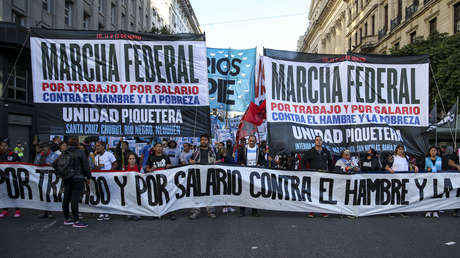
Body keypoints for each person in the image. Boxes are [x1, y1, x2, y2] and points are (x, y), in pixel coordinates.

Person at [58, 137, 91, 228]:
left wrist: (62, 174)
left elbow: (56, 164)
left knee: (66, 198)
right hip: (78, 178)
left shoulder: (64, 152)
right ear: (77, 144)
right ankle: (76, 220)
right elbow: (86, 166)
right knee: (74, 199)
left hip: (67, 178)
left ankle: (67, 219)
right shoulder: (80, 152)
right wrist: (88, 177)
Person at [301, 136, 332, 218]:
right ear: (314, 142)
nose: (318, 141)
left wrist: (330, 171)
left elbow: (331, 161)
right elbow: (303, 161)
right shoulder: (310, 151)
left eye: (320, 140)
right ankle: (311, 211)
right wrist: (306, 171)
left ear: (322, 141)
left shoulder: (326, 151)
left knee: (322, 193)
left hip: (324, 175)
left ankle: (323, 211)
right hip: (313, 175)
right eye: (317, 140)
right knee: (313, 193)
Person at [385, 144, 418, 218]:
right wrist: (390, 169)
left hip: (404, 179)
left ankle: (403, 211)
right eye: (399, 149)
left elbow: (411, 165)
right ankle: (392, 211)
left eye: (402, 149)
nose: (401, 150)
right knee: (394, 195)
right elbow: (386, 167)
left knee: (403, 195)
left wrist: (415, 167)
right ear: (396, 150)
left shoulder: (406, 158)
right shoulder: (392, 157)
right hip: (395, 179)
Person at [189, 134, 217, 219]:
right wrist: (191, 161)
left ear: (208, 141)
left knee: (209, 193)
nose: (203, 141)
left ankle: (210, 211)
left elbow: (216, 160)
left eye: (205, 139)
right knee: (197, 193)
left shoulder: (212, 150)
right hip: (198, 174)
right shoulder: (196, 150)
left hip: (209, 174)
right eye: (202, 140)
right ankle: (195, 211)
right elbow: (190, 159)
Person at [145, 142, 175, 220]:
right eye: (157, 146)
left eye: (160, 146)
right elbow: (147, 168)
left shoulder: (166, 157)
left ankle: (170, 212)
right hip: (155, 180)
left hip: (165, 180)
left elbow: (170, 166)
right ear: (154, 148)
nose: (159, 148)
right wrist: (151, 169)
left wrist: (169, 166)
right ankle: (156, 213)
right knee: (156, 196)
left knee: (167, 196)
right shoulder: (151, 157)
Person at [237, 135, 264, 217]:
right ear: (248, 141)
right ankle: (242, 211)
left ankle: (254, 211)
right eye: (250, 140)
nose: (251, 142)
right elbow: (239, 159)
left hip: (255, 174)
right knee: (243, 192)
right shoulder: (243, 149)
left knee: (254, 193)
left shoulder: (258, 149)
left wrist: (259, 164)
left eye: (253, 141)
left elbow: (262, 160)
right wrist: (241, 163)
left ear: (255, 142)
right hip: (245, 174)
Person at [35, 141, 59, 219]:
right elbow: (34, 165)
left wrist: (51, 165)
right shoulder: (38, 156)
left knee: (49, 194)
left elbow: (58, 165)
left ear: (48, 148)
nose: (43, 149)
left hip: (51, 178)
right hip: (41, 177)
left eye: (44, 147)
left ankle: (50, 211)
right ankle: (45, 211)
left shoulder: (55, 155)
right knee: (43, 195)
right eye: (41, 148)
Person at [94, 141, 117, 221]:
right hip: (99, 179)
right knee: (100, 194)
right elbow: (96, 168)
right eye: (96, 146)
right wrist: (97, 167)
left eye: (98, 146)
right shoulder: (96, 157)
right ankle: (101, 211)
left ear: (103, 146)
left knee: (107, 194)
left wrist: (109, 172)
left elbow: (115, 164)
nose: (97, 147)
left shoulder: (109, 154)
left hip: (108, 178)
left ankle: (107, 211)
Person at [0, 139, 22, 218]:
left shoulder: (14, 155)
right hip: (2, 179)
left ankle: (17, 210)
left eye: (5, 146)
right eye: (2, 145)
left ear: (8, 147)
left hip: (12, 179)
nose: (3, 147)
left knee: (13, 194)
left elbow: (20, 165)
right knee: (3, 194)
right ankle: (5, 210)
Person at [424, 146, 442, 218]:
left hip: (437, 178)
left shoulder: (439, 158)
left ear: (436, 152)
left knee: (437, 194)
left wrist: (431, 168)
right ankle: (428, 210)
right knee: (429, 194)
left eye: (435, 150)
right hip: (429, 178)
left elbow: (438, 168)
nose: (433, 152)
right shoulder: (426, 159)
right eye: (432, 150)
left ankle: (435, 211)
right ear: (429, 152)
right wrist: (427, 169)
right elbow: (424, 168)